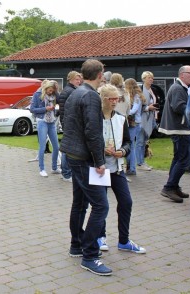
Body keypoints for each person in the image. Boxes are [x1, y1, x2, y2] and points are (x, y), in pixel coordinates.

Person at [60, 59, 112, 276]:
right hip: (83, 157)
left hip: (73, 153)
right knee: (101, 206)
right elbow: (92, 131)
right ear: (100, 74)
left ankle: (76, 245)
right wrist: (100, 160)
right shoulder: (90, 95)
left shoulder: (75, 92)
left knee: (80, 203)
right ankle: (90, 255)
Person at [96, 85, 146, 255]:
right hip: (99, 168)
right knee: (101, 205)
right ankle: (99, 236)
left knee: (126, 202)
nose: (114, 102)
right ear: (102, 99)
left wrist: (122, 151)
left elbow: (127, 142)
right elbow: (88, 142)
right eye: (111, 98)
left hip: (117, 168)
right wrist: (101, 150)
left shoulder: (121, 119)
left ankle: (124, 240)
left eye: (116, 98)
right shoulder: (94, 118)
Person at [158, 66, 190, 203]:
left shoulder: (180, 87)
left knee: (179, 157)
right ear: (182, 74)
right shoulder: (178, 88)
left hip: (179, 128)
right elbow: (178, 106)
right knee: (184, 159)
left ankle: (173, 186)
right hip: (180, 129)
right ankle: (169, 187)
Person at [30, 80, 60, 177]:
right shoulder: (38, 94)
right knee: (42, 146)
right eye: (49, 90)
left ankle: (54, 168)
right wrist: (45, 109)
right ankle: (42, 169)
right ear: (45, 88)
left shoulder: (54, 95)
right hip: (42, 121)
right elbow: (32, 109)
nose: (50, 92)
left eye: (52, 91)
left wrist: (57, 91)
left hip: (51, 122)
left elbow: (60, 100)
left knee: (56, 147)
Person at [57, 71, 82, 182]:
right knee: (67, 150)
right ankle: (66, 173)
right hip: (69, 124)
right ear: (71, 79)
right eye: (77, 79)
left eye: (79, 79)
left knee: (68, 149)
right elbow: (67, 110)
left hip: (68, 123)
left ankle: (67, 172)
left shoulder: (70, 90)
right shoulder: (70, 91)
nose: (79, 81)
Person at [124, 78, 144, 175]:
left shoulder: (137, 97)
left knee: (131, 145)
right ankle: (130, 167)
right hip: (132, 123)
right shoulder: (132, 96)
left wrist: (124, 111)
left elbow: (134, 110)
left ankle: (132, 168)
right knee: (130, 144)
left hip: (134, 123)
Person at [138, 71, 157, 171]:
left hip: (150, 118)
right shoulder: (140, 90)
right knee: (140, 141)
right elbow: (138, 105)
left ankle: (142, 161)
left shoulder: (152, 90)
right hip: (142, 118)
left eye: (152, 78)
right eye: (149, 78)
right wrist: (147, 108)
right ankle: (140, 163)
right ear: (144, 78)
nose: (151, 79)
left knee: (145, 141)